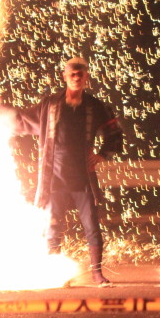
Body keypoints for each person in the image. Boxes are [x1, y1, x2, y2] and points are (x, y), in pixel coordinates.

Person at [16, 57, 124, 285]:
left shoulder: (95, 106)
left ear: (86, 77)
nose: (76, 78)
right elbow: (24, 119)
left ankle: (97, 274)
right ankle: (55, 274)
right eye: (72, 74)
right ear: (65, 76)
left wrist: (103, 154)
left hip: (83, 179)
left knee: (92, 227)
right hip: (54, 178)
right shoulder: (50, 104)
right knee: (53, 227)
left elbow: (114, 131)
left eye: (80, 74)